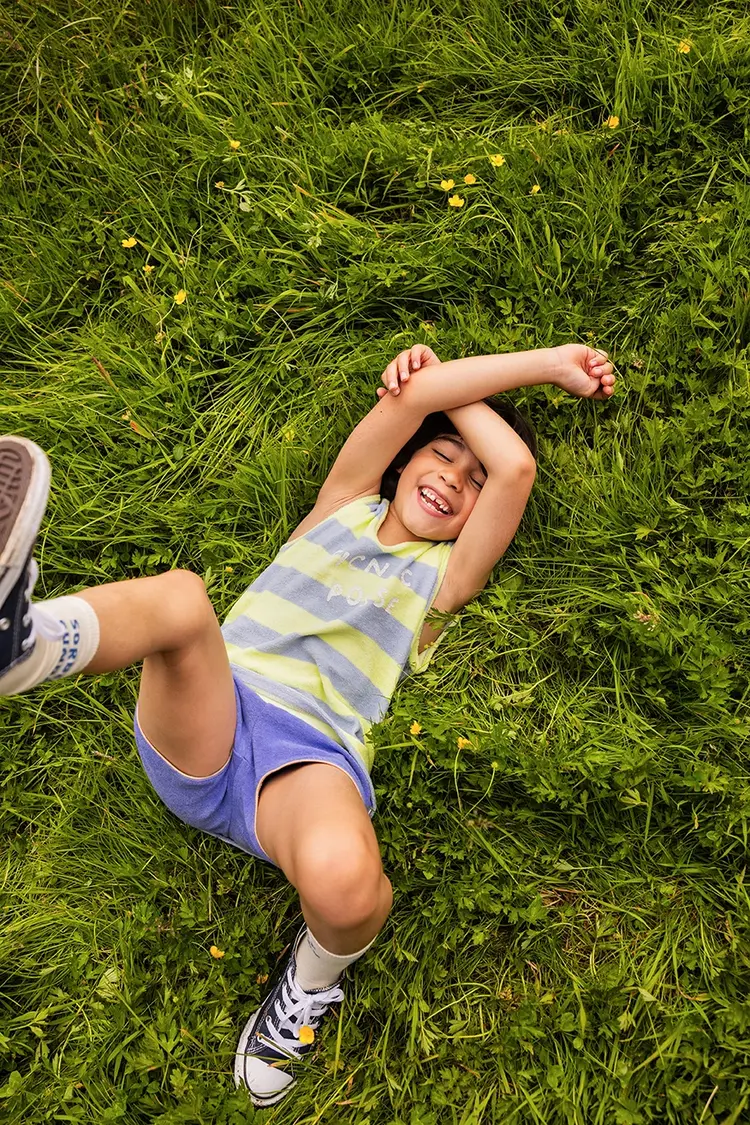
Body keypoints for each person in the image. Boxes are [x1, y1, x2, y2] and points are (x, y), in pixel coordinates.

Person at [0, 342, 615, 1106]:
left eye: (472, 479)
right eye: (441, 453)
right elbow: (411, 404)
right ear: (405, 458)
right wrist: (425, 391)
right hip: (212, 709)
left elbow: (514, 467)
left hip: (310, 758)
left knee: (351, 888)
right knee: (184, 601)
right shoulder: (341, 505)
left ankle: (309, 984)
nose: (453, 479)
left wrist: (530, 369)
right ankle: (24, 645)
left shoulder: (444, 581)